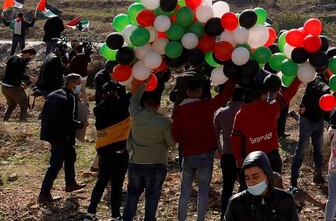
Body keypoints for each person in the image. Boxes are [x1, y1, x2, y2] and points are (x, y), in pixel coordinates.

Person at [173, 77, 235, 221]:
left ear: (187, 92)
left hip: (188, 154)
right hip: (206, 155)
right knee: (203, 191)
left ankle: (181, 219)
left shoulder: (179, 110)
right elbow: (224, 96)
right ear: (200, 91)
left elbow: (176, 136)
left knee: (185, 192)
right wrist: (232, 78)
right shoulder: (207, 105)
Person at [123, 81, 177, 221]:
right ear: (158, 105)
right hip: (157, 163)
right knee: (152, 196)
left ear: (145, 103)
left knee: (132, 194)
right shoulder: (164, 122)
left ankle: (127, 218)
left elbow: (133, 99)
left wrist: (144, 84)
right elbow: (171, 143)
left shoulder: (135, 115)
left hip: (136, 162)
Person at [231, 74, 301, 174]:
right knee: (275, 184)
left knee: (255, 186)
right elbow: (289, 94)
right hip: (272, 155)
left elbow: (235, 138)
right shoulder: (272, 108)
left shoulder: (240, 114)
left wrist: (238, 158)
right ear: (264, 95)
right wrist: (298, 79)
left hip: (252, 157)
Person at [85, 81, 131, 221]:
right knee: (117, 185)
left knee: (101, 182)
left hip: (105, 153)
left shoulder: (97, 110)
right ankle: (115, 215)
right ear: (116, 92)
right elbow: (132, 94)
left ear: (102, 93)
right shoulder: (123, 105)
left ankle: (91, 213)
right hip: (121, 152)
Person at [38, 73, 86, 203]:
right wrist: (81, 124)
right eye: (78, 83)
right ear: (72, 84)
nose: (80, 86)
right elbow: (68, 122)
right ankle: (44, 194)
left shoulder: (54, 93)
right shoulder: (69, 98)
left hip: (51, 132)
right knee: (55, 165)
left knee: (71, 156)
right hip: (61, 135)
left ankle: (70, 183)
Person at [223, 151, 299, 221]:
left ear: (267, 175)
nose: (251, 182)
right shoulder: (236, 203)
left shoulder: (286, 200)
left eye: (255, 177)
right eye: (247, 178)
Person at [290, 70, 330, 191]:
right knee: (302, 149)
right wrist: (328, 90)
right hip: (307, 120)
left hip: (318, 119)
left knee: (318, 148)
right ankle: (293, 180)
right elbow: (319, 86)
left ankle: (317, 175)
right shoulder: (316, 78)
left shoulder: (332, 81)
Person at [214, 87, 246, 218]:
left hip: (227, 154)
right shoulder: (247, 110)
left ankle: (224, 215)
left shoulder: (221, 113)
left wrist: (219, 149)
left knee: (227, 187)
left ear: (231, 97)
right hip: (244, 154)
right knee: (245, 186)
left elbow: (214, 134)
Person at [2, 47, 36, 121]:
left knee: (12, 104)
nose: (31, 58)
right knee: (24, 103)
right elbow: (18, 75)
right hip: (12, 87)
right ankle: (23, 120)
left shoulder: (12, 57)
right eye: (31, 56)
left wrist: (20, 83)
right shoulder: (21, 61)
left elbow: (12, 73)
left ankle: (5, 119)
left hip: (4, 86)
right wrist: (29, 78)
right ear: (27, 54)